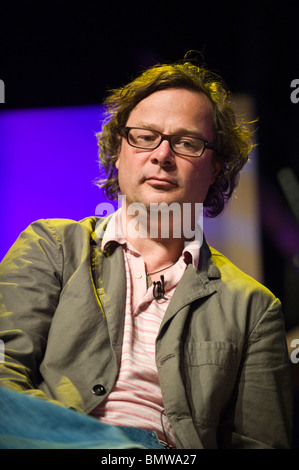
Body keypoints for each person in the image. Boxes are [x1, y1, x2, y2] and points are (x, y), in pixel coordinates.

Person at [0, 56, 293, 449]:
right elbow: (5, 376)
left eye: (186, 142)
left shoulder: (254, 308)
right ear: (119, 151)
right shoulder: (49, 245)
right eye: (144, 136)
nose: (162, 155)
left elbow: (260, 444)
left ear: (216, 168)